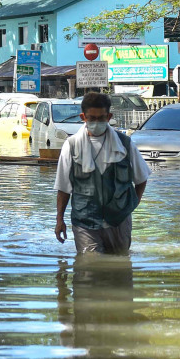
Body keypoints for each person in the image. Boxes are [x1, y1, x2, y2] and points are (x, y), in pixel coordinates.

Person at [54, 92, 150, 254]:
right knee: (90, 268)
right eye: (92, 118)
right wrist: (59, 220)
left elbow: (141, 179)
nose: (96, 122)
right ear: (83, 117)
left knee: (120, 270)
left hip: (119, 221)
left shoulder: (125, 144)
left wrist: (130, 207)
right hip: (85, 222)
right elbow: (64, 188)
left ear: (109, 116)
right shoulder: (71, 146)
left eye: (101, 118)